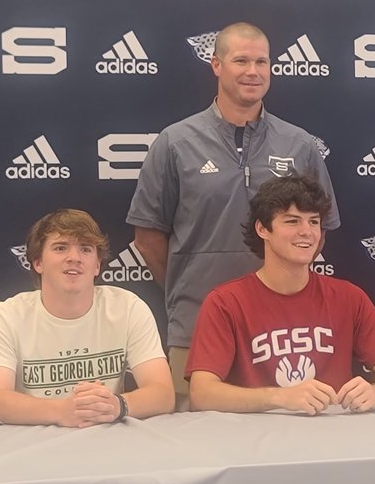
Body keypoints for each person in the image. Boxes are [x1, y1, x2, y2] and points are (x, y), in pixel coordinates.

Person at [126, 22, 340, 404]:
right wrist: (188, 283)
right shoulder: (175, 142)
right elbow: (148, 237)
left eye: (262, 61)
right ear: (216, 65)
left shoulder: (300, 144)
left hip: (284, 333)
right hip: (196, 327)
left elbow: (317, 229)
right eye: (241, 60)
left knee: (291, 437)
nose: (253, 71)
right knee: (196, 444)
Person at [187, 175, 375, 415]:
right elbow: (202, 394)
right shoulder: (226, 302)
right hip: (256, 441)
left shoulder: (349, 297)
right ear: (262, 229)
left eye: (314, 222)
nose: (307, 232)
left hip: (336, 438)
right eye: (292, 221)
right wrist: (279, 396)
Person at [0, 209, 174, 426]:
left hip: (106, 439)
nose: (74, 258)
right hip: (31, 443)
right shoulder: (4, 317)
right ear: (37, 263)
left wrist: (118, 405)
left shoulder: (128, 307)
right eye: (60, 248)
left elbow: (163, 393)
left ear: (97, 265)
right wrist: (61, 411)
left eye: (86, 249)